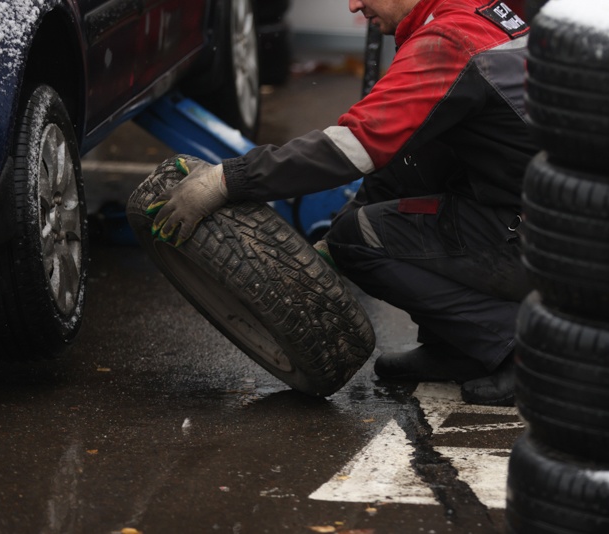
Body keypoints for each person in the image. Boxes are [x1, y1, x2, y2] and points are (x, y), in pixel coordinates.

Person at [147, 0, 538, 405]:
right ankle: (458, 348)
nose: (354, 4)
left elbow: (352, 147)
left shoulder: (448, 41)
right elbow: (411, 154)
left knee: (359, 240)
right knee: (360, 226)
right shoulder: (473, 15)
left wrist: (228, 179)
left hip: (548, 243)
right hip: (552, 224)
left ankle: (522, 350)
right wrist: (334, 238)